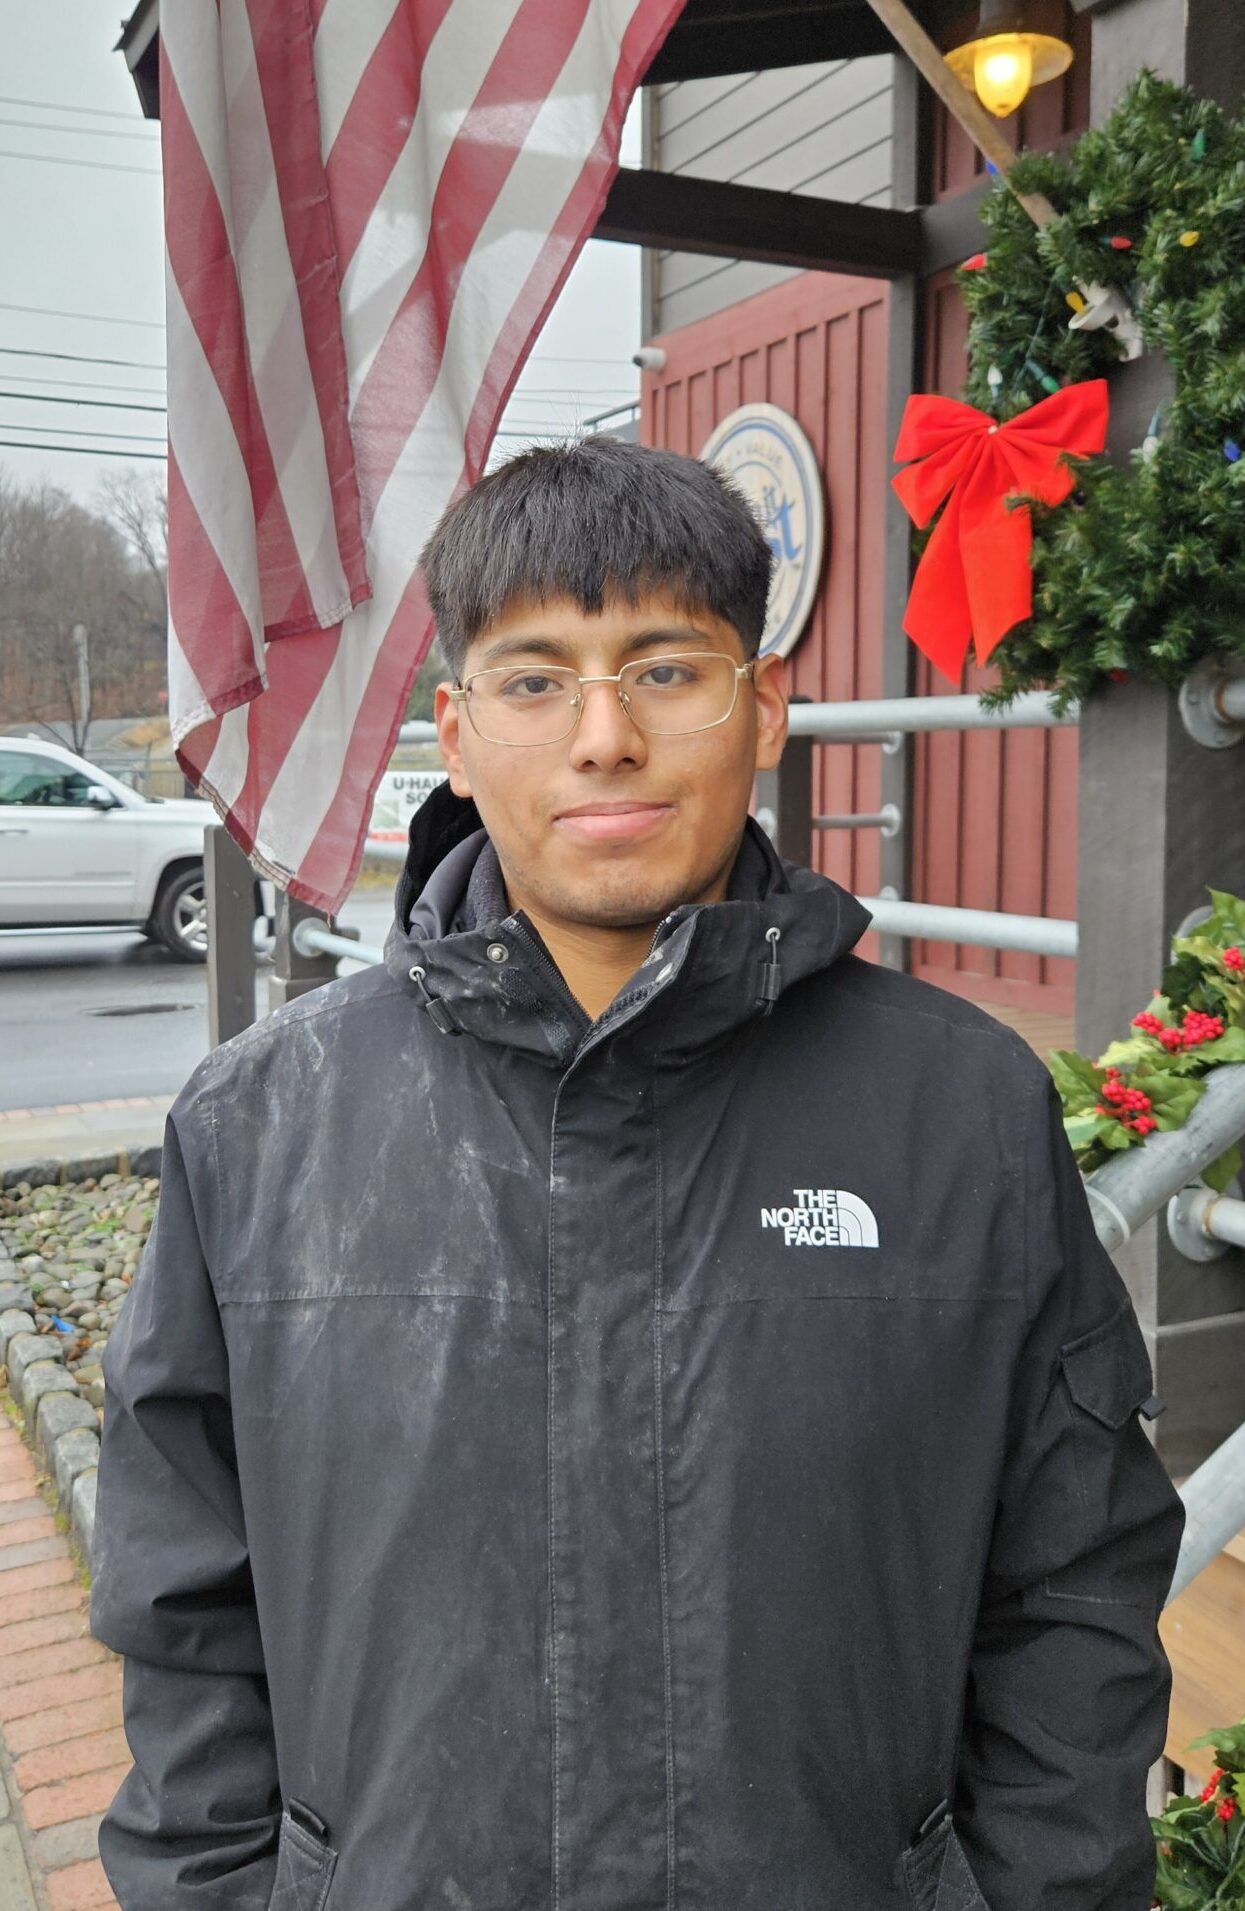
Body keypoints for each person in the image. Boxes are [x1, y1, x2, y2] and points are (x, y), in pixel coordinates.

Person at [92, 435, 1185, 1911]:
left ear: (765, 706)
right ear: (457, 732)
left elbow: (1075, 1577)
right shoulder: (261, 1125)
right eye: (536, 679)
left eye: (667, 670)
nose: (604, 736)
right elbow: (180, 1601)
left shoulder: (962, 1109)